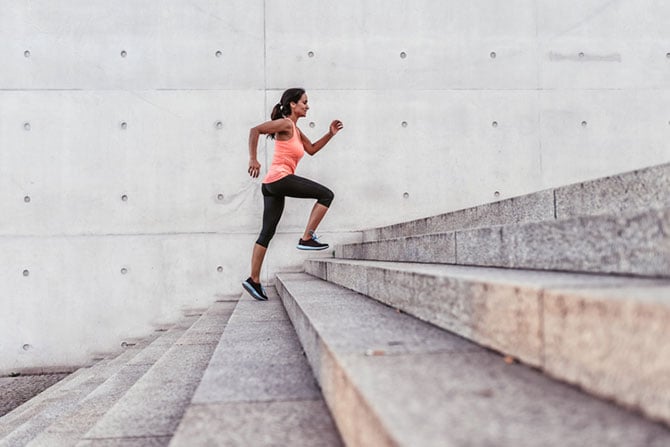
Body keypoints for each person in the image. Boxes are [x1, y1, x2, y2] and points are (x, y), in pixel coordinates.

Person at [242, 88, 344, 301]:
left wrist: (330, 134)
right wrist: (253, 158)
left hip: (271, 185)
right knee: (326, 195)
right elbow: (255, 130)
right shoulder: (286, 123)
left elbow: (312, 149)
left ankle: (254, 279)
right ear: (292, 105)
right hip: (279, 180)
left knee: (266, 233)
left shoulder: (295, 130)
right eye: (304, 102)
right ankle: (307, 237)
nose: (307, 106)